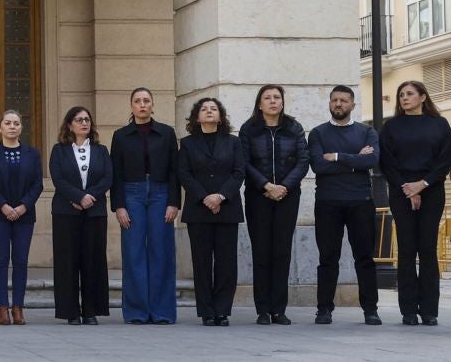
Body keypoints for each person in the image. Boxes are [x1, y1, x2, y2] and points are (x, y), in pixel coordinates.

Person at [380, 78, 451, 326]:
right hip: (401, 191)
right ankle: (408, 310)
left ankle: (430, 310)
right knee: (407, 249)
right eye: (401, 95)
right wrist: (408, 190)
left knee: (428, 249)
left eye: (409, 93)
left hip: (432, 191)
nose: (404, 98)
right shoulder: (391, 127)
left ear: (423, 97)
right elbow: (387, 162)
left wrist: (422, 185)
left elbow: (445, 160)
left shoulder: (440, 125)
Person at [306, 83, 380, 325]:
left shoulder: (366, 132)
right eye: (334, 100)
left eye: (344, 100)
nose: (338, 104)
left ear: (352, 105)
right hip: (328, 202)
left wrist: (338, 157)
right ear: (329, 104)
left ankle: (370, 309)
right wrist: (355, 159)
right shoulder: (317, 133)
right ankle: (324, 309)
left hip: (361, 201)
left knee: (365, 258)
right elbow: (318, 166)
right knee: (328, 258)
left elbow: (372, 160)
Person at [108, 86, 180, 325]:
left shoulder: (166, 133)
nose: (142, 105)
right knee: (134, 252)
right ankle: (137, 311)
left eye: (146, 100)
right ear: (131, 106)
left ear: (152, 105)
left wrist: (173, 202)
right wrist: (119, 206)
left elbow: (174, 171)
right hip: (132, 194)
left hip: (161, 193)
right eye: (137, 101)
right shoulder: (120, 136)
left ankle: (162, 311)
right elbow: (115, 173)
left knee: (162, 251)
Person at [238, 83, 308, 325]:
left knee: (281, 251)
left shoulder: (294, 128)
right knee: (261, 251)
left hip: (288, 196)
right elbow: (244, 163)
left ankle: (279, 309)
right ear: (260, 104)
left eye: (277, 97)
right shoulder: (249, 129)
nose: (273, 101)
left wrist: (284, 187)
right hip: (258, 196)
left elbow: (303, 161)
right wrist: (267, 186)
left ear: (282, 102)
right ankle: (263, 310)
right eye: (267, 97)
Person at [178, 95, 244, 327]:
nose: (208, 111)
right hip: (199, 209)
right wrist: (205, 197)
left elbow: (238, 172)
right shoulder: (187, 143)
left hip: (227, 209)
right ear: (197, 116)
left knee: (226, 263)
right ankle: (206, 311)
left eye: (213, 108)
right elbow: (184, 174)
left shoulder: (233, 142)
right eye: (204, 109)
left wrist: (221, 196)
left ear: (220, 115)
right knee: (202, 262)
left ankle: (222, 310)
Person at [48, 105, 111, 326]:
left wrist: (88, 197)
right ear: (69, 125)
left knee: (92, 261)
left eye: (87, 119)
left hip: (94, 212)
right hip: (66, 212)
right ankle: (70, 311)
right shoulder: (59, 150)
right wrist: (76, 197)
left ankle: (91, 310)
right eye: (78, 119)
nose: (84, 123)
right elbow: (58, 178)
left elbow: (107, 178)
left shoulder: (101, 150)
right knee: (67, 261)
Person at [0, 107, 43, 325]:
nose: (12, 127)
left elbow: (37, 184)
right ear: (0, 127)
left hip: (24, 215)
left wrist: (24, 206)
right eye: (7, 123)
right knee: (0, 260)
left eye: (16, 123)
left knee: (20, 261)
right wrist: (4, 206)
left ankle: (18, 307)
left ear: (21, 127)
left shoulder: (32, 153)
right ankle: (2, 308)